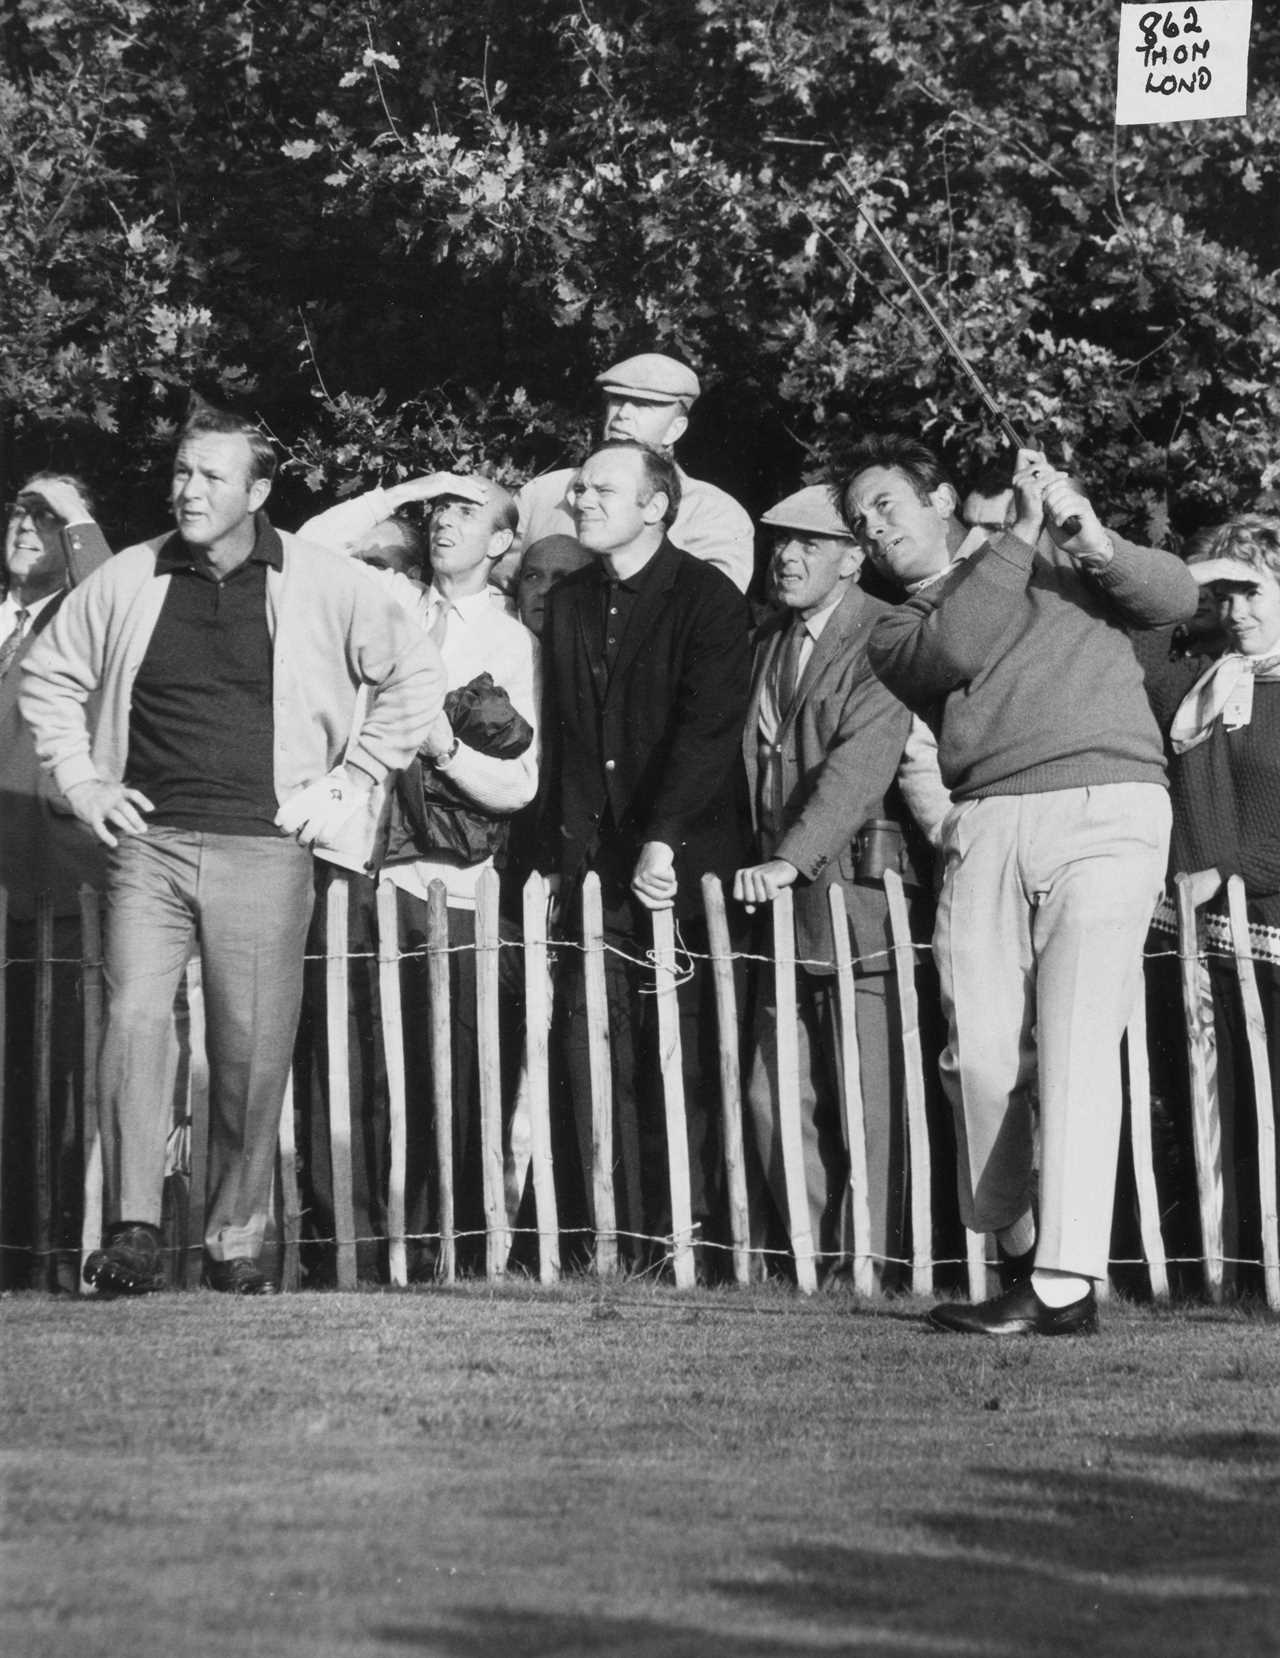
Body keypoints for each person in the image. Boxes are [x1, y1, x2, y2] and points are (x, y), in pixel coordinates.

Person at [20, 403, 447, 1296]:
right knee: (135, 1025)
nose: (190, 490)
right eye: (182, 472)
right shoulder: (131, 576)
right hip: (150, 843)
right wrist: (83, 780)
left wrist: (355, 777)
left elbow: (414, 675)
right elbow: (51, 672)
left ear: (257, 491)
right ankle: (135, 1231)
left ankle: (233, 1241)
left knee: (251, 1048)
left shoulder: (327, 580)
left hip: (267, 844)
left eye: (213, 476)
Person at [836, 433, 1198, 1335]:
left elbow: (1176, 600)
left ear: (945, 498)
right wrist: (1021, 534)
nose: (873, 530)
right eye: (858, 522)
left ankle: (1064, 1284)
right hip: (989, 818)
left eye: (886, 505)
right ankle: (1022, 1246)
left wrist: (1092, 535)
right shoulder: (889, 626)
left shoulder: (1059, 561)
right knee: (983, 1058)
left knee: (1078, 1041)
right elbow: (953, 649)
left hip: (1111, 805)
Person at [301, 473, 538, 1276]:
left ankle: (447, 1250)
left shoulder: (510, 643)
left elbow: (520, 783)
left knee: (449, 1071)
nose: (444, 522)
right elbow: (310, 546)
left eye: (469, 513)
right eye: (439, 512)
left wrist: (441, 745)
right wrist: (412, 486)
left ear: (503, 542)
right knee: (352, 1064)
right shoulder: (385, 600)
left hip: (448, 879)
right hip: (354, 863)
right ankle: (354, 1250)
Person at [537, 440, 752, 1273]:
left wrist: (662, 836)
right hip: (593, 870)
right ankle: (611, 1232)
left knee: (682, 1051)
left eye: (601, 489)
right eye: (579, 488)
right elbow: (566, 738)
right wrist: (564, 857)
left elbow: (709, 732)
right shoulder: (567, 602)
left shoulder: (707, 598)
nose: (581, 501)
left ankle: (686, 1233)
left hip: (681, 866)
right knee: (598, 1048)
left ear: (657, 505)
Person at [732, 485, 942, 1285]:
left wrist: (793, 856)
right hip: (774, 901)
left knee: (869, 1093)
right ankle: (806, 1257)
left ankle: (875, 1258)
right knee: (773, 1089)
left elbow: (861, 765)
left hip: (858, 897)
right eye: (779, 541)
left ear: (855, 558)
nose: (787, 557)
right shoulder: (766, 642)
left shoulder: (889, 637)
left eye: (811, 544)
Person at [1142, 515, 1280, 1288]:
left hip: (1271, 932)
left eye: (1253, 591)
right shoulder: (1191, 681)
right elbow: (1125, 641)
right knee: (1205, 1112)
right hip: (1194, 943)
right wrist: (1190, 575)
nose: (1237, 613)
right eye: (1223, 597)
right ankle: (1216, 1273)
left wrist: (1223, 870)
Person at [0, 476, 111, 1289]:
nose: (24, 524)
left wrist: (74, 515)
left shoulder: (82, 620)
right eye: (19, 513)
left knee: (54, 1080)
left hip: (53, 882)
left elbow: (109, 593)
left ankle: (48, 1253)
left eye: (47, 519)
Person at [510, 353, 755, 594]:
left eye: (643, 404)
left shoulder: (713, 514)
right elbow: (498, 591)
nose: (623, 414)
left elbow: (713, 614)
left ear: (675, 429)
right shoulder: (542, 494)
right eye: (616, 399)